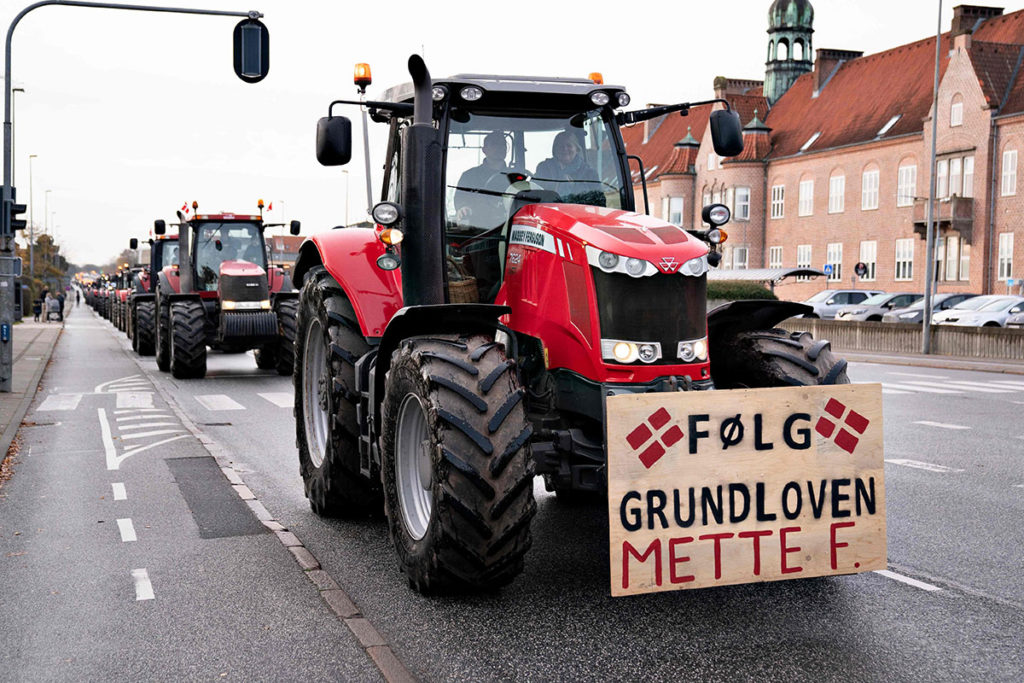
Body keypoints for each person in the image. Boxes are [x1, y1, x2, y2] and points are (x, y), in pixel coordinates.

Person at [454, 132, 511, 229]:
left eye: (502, 144)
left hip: (511, 228)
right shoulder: (469, 176)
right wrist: (463, 208)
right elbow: (461, 200)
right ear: (484, 150)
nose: (500, 147)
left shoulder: (516, 176)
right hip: (479, 230)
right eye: (494, 144)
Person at [534, 131, 599, 200]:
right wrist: (557, 184)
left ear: (577, 149)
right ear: (555, 149)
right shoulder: (544, 168)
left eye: (569, 145)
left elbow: (598, 201)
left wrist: (573, 187)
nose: (565, 149)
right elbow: (535, 194)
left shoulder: (590, 173)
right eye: (561, 146)